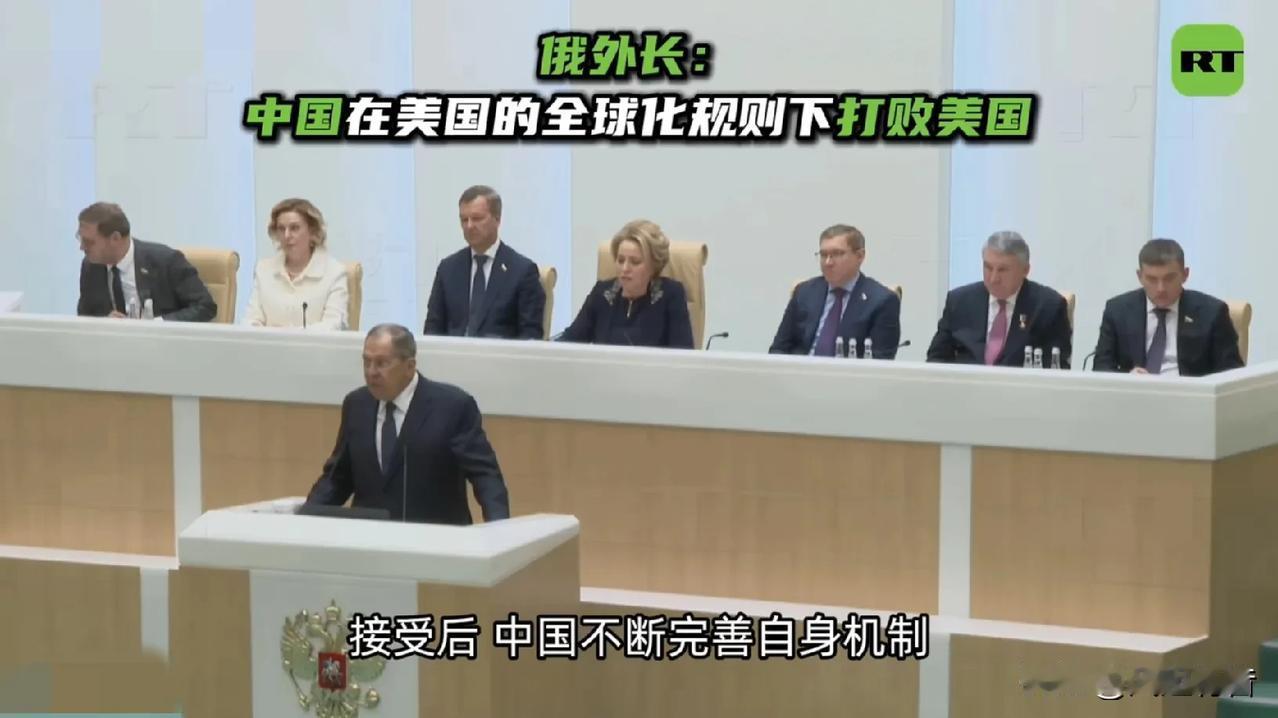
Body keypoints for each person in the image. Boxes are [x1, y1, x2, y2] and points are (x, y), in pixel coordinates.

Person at [304, 324, 510, 525]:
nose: (371, 372)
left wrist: (499, 529)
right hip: (369, 538)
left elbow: (485, 475)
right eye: (366, 362)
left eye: (382, 363)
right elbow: (337, 478)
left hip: (436, 540)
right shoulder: (357, 404)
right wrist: (304, 520)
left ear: (409, 366)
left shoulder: (452, 406)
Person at [1093, 238, 1243, 376]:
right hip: (1135, 394)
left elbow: (1230, 372)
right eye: (1152, 279)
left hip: (1190, 393)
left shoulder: (1212, 313)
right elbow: (1101, 367)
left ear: (1185, 275)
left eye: (1169, 278)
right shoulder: (1118, 311)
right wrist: (1127, 379)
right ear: (1140, 276)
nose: (1161, 289)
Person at [927, 231, 1073, 368]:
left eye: (1003, 270)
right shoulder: (959, 302)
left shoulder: (1048, 307)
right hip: (967, 385)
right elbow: (936, 360)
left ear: (1025, 270)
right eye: (988, 267)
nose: (993, 278)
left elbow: (1056, 368)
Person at [423, 185, 546, 339]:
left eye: (477, 218)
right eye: (464, 220)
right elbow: (432, 330)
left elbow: (530, 335)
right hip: (454, 353)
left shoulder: (522, 271)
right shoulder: (448, 269)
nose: (469, 226)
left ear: (497, 219)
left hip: (500, 353)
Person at [769, 224, 902, 358]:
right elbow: (778, 349)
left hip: (849, 371)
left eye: (837, 254)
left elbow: (880, 361)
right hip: (801, 369)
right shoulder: (804, 292)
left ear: (860, 256)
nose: (828, 262)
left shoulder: (882, 301)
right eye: (823, 255)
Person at [558, 219, 695, 348]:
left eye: (635, 262)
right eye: (620, 260)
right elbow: (569, 341)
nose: (625, 269)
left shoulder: (671, 295)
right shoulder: (602, 294)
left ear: (653, 266)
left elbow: (683, 354)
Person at [75, 202, 216, 322]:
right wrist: (104, 321)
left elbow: (205, 306)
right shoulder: (91, 266)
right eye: (80, 239)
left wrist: (157, 324)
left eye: (88, 242)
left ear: (115, 238)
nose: (82, 247)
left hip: (162, 342)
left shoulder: (166, 261)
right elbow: (85, 315)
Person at [244, 198, 350, 330]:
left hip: (314, 344)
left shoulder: (334, 272)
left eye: (294, 228)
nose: (287, 235)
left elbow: (333, 324)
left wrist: (290, 337)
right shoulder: (263, 269)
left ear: (312, 231)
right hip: (268, 344)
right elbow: (251, 321)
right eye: (281, 229)